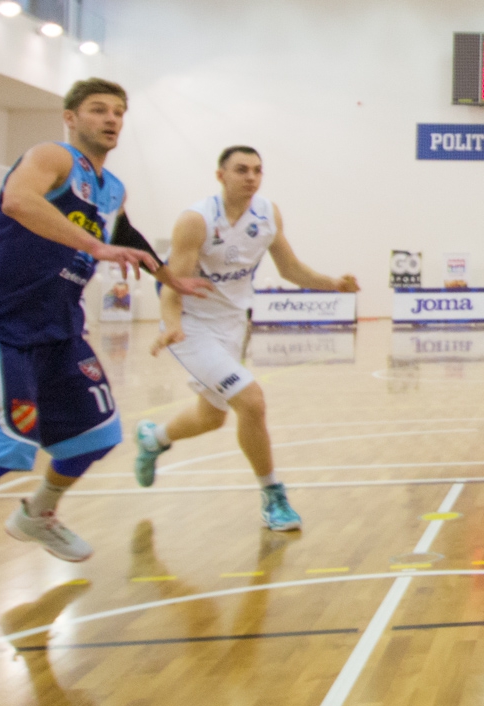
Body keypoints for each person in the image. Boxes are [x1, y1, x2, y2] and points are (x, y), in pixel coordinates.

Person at [0, 79, 209, 626]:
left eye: (120, 112)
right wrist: (95, 247)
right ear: (71, 117)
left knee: (93, 437)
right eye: (99, 109)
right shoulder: (52, 157)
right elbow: (18, 200)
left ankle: (39, 513)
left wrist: (171, 275)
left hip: (59, 329)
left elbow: (125, 231)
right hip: (0, 325)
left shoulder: (111, 187)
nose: (112, 119)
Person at [137, 146, 361, 530]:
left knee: (212, 418)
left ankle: (154, 438)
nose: (251, 177)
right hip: (192, 326)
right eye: (241, 170)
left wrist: (333, 284)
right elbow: (172, 285)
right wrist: (171, 322)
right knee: (252, 402)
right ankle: (273, 496)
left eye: (258, 170)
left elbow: (290, 269)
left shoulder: (268, 214)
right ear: (220, 175)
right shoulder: (196, 220)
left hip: (232, 324)